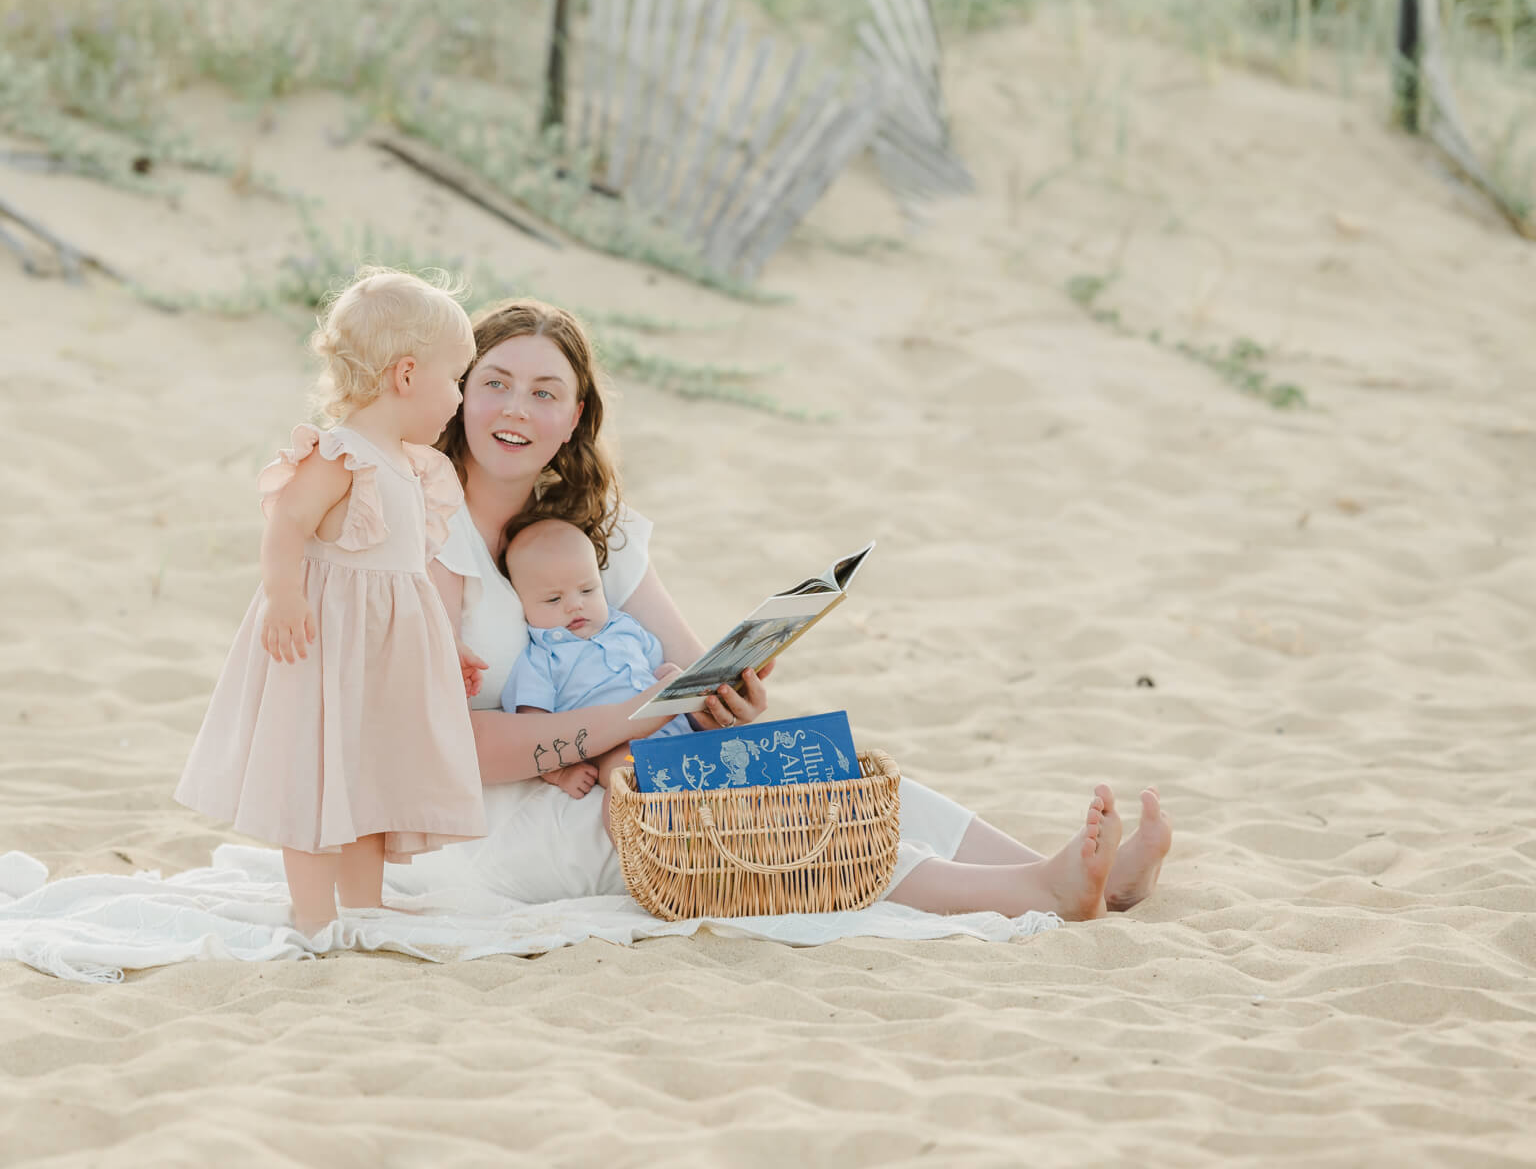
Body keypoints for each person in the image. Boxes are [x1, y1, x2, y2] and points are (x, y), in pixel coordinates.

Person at [424, 299, 1173, 922]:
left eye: (545, 391)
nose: (517, 408)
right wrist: (637, 717)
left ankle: (1076, 874)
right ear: (460, 394)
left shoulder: (591, 531)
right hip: (504, 815)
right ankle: (1030, 892)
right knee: (776, 814)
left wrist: (730, 695)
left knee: (825, 770)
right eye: (496, 382)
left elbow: (686, 661)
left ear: (574, 414)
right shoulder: (431, 530)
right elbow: (445, 740)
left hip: (628, 759)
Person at [174, 268, 489, 934]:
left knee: (370, 772)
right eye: (454, 379)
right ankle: (314, 914)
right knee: (316, 776)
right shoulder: (344, 455)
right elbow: (286, 522)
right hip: (327, 644)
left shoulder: (409, 464)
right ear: (406, 375)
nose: (459, 398)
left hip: (384, 655)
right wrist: (283, 595)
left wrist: (448, 642)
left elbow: (406, 566)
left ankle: (364, 905)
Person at [498, 516, 687, 798]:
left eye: (587, 590)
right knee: (626, 781)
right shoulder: (542, 660)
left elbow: (655, 667)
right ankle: (646, 836)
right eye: (553, 599)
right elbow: (534, 736)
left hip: (676, 729)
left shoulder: (625, 627)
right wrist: (560, 772)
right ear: (522, 604)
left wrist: (666, 674)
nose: (575, 605)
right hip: (615, 747)